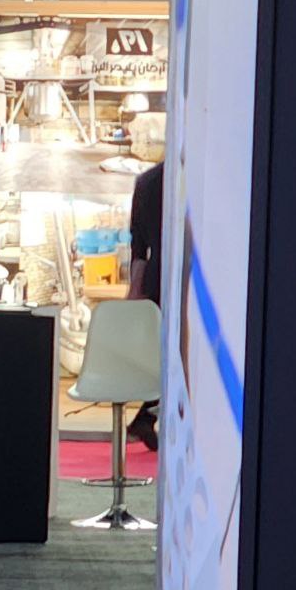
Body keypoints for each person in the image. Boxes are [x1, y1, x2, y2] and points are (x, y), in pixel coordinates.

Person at [125, 159, 165, 451]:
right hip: (183, 274)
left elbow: (137, 244)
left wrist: (135, 287)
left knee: (163, 354)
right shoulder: (193, 176)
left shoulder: (147, 181)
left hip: (155, 275)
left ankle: (146, 416)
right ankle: (146, 416)